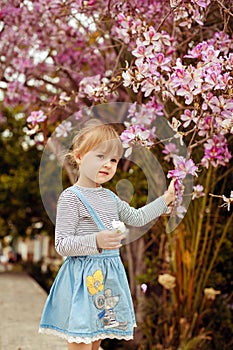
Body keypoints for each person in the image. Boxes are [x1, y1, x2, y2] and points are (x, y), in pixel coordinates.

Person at [39, 121, 176, 350]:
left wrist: (166, 200)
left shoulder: (110, 198)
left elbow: (137, 218)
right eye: (100, 156)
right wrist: (96, 241)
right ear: (80, 157)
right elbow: (62, 244)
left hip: (107, 280)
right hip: (84, 279)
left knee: (96, 341)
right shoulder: (71, 197)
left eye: (113, 160)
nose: (108, 164)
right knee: (81, 341)